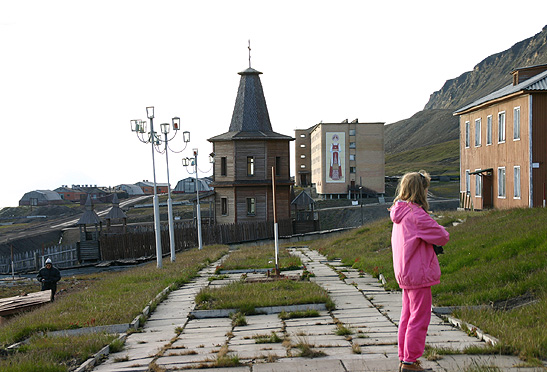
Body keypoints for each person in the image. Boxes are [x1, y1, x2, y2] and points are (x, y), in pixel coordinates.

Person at [390, 171, 449, 372]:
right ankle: (410, 361)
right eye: (425, 188)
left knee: (407, 316)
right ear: (420, 190)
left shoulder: (400, 212)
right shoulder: (416, 215)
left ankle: (404, 357)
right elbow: (442, 236)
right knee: (419, 317)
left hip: (406, 273)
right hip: (419, 274)